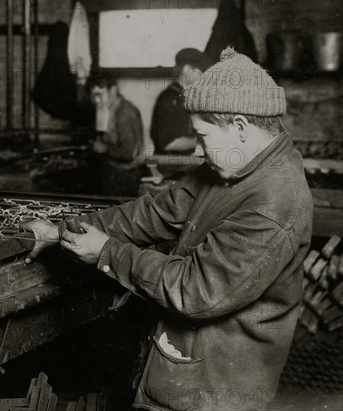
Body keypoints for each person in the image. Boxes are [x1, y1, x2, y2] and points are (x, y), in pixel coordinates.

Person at [21, 48, 313, 411]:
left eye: (203, 136)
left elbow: (195, 290)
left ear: (240, 126)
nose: (197, 151)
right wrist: (63, 231)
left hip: (216, 390)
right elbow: (156, 211)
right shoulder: (234, 167)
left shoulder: (274, 201)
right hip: (186, 370)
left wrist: (108, 252)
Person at [89, 71, 145, 196]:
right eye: (93, 97)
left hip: (125, 178)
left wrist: (103, 148)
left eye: (99, 95)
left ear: (113, 91)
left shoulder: (125, 113)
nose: (96, 101)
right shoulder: (110, 108)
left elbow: (129, 152)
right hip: (114, 173)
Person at [150, 48, 212, 154]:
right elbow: (168, 143)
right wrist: (206, 140)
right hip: (171, 165)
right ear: (187, 69)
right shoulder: (170, 99)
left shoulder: (186, 97)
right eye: (201, 72)